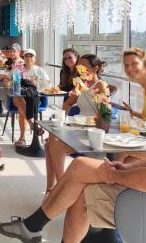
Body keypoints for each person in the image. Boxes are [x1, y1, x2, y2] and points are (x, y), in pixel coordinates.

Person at [0, 48, 146, 243]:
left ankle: (32, 225)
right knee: (79, 170)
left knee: (82, 176)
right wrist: (129, 168)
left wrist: (112, 175)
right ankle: (33, 224)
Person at [44, 54, 109, 192]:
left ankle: (60, 187)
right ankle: (53, 187)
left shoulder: (101, 86)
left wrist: (99, 113)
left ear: (95, 68)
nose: (79, 68)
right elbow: (67, 104)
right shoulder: (82, 83)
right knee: (49, 144)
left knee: (53, 144)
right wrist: (63, 118)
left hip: (92, 131)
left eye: (83, 65)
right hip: (78, 127)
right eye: (79, 65)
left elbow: (105, 115)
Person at [12, 48, 50, 148]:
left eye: (31, 56)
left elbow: (47, 84)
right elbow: (10, 80)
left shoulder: (39, 70)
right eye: (26, 56)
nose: (28, 58)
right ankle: (33, 125)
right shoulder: (18, 68)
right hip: (19, 97)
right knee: (19, 100)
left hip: (34, 98)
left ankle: (22, 138)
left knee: (22, 109)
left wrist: (36, 83)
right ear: (23, 58)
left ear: (35, 58)